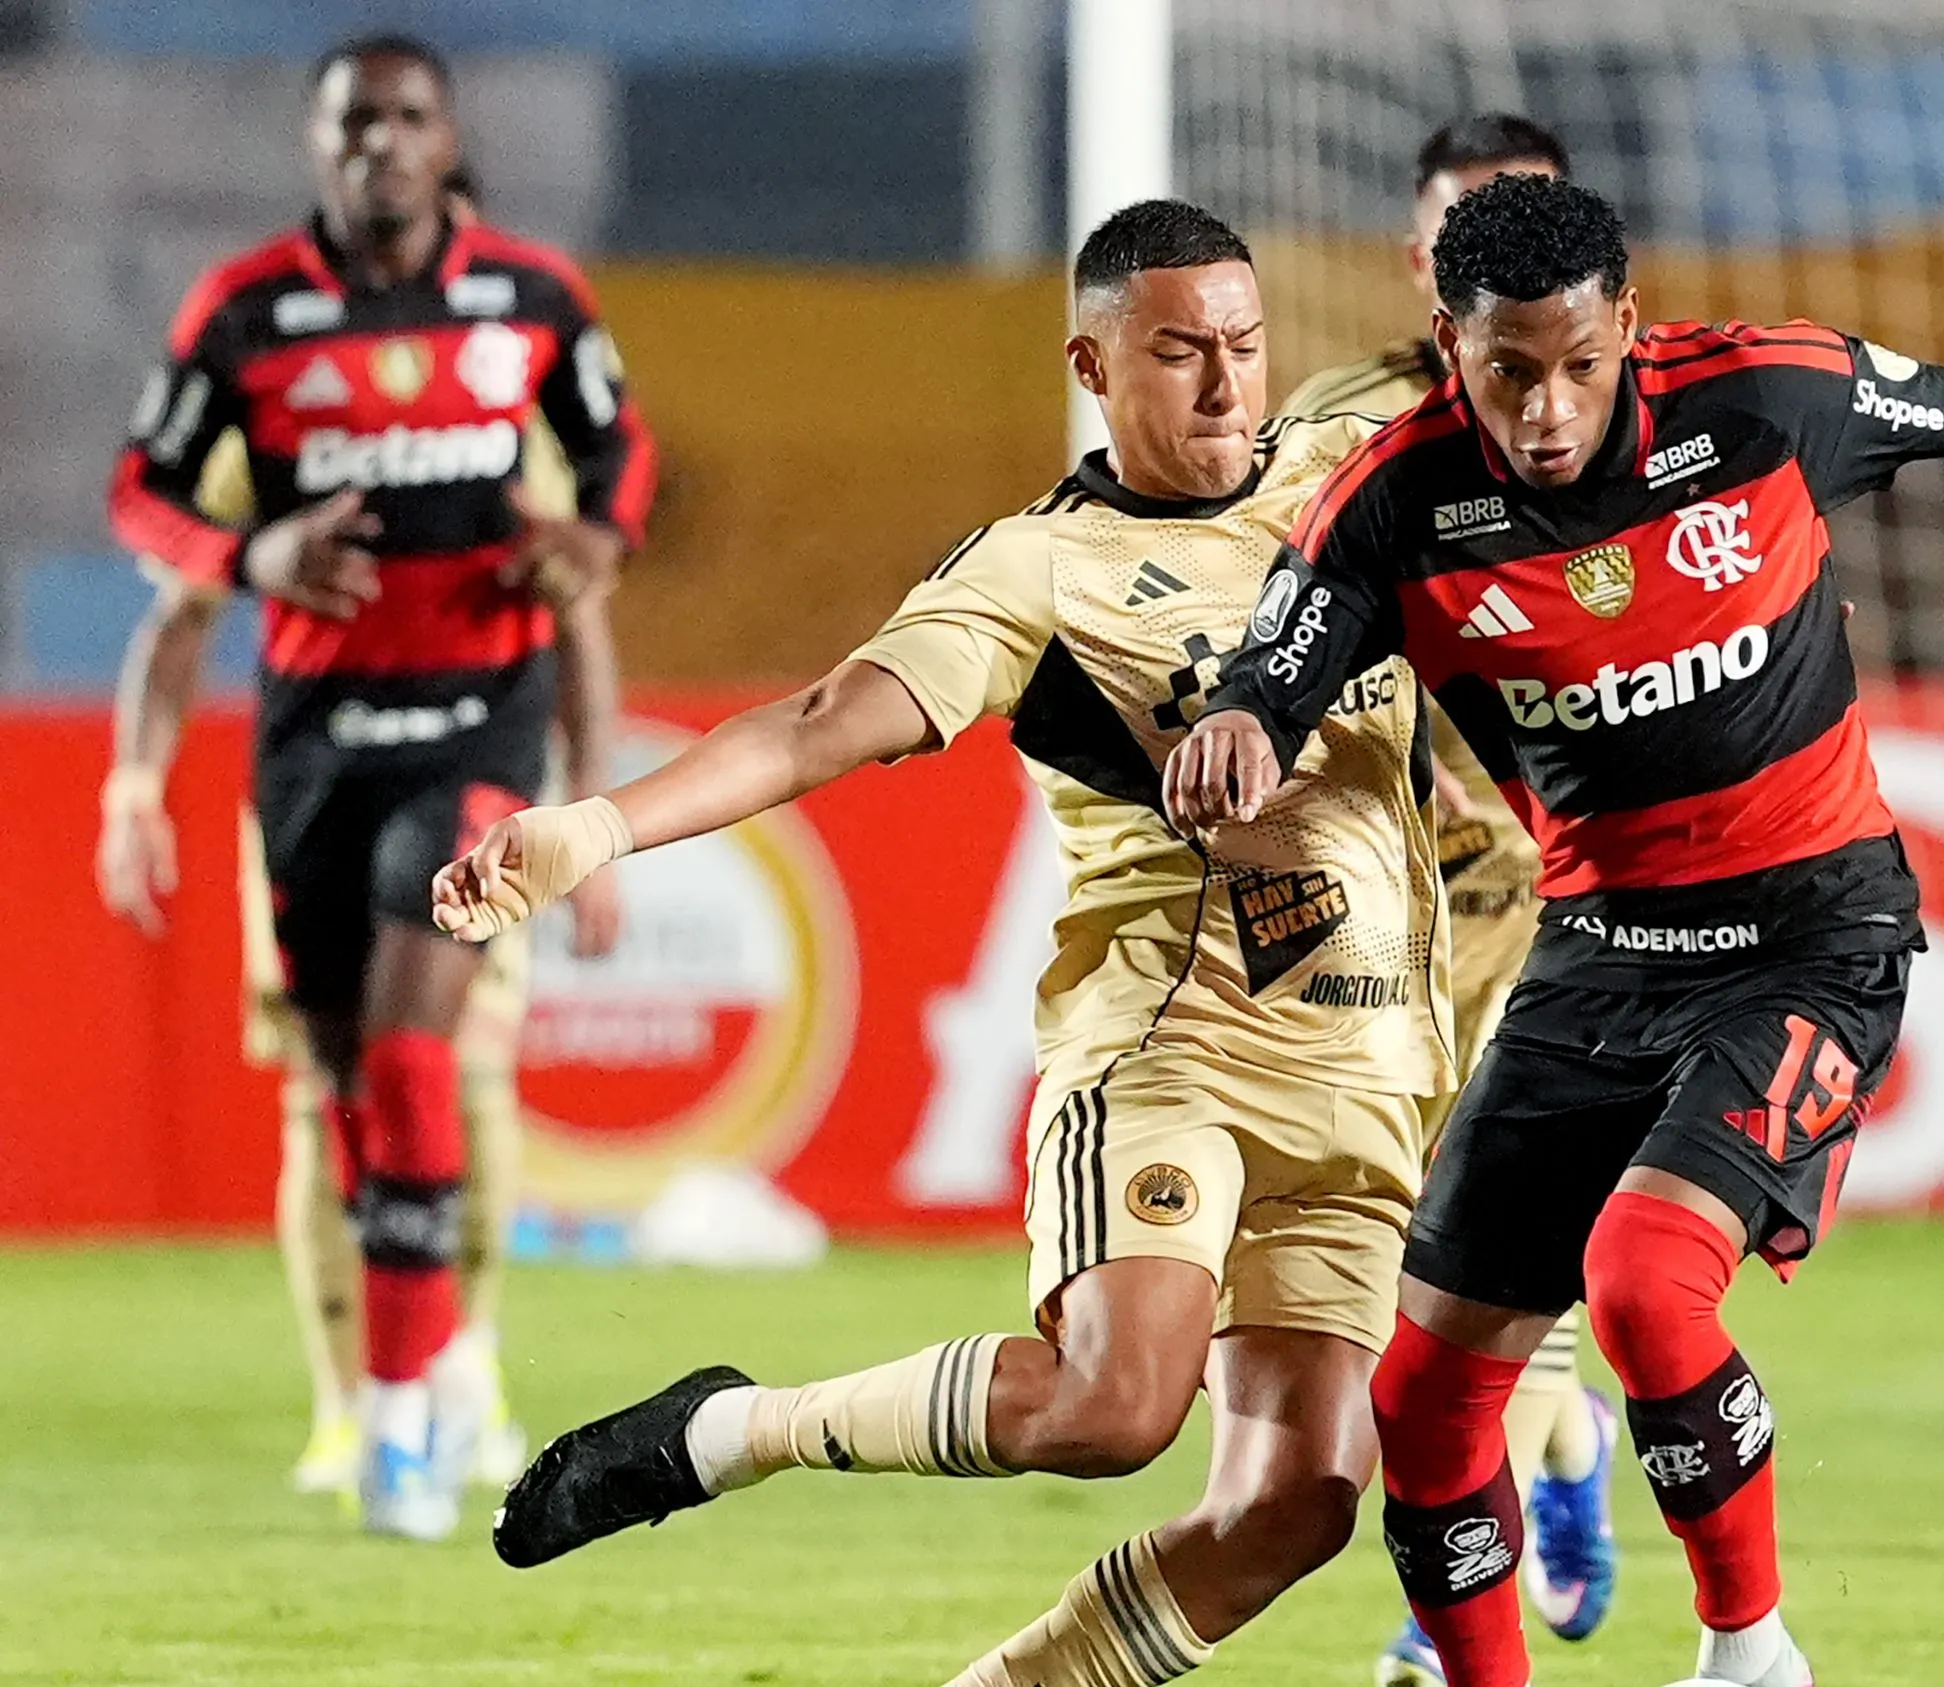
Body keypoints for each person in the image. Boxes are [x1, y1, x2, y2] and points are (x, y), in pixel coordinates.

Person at [1166, 172, 1944, 1687]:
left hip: (1813, 930)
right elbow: (1275, 665)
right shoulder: (1395, 502)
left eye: (1576, 362)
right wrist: (1236, 724)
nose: (1547, 407)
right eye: (1507, 371)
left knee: (1642, 1281)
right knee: (1422, 1397)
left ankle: (1750, 1652)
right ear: (1449, 341)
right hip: (1599, 948)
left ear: (1628, 322)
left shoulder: (1768, 397)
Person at [440, 201, 1454, 1687]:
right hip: (1173, 1048)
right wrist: (599, 828)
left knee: (1292, 1504)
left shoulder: (1338, 477)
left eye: (1245, 347)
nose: (1229, 388)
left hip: (1371, 1067)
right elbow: (818, 722)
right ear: (1095, 366)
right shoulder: (1040, 570)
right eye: (1181, 356)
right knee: (1116, 1408)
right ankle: (734, 1430)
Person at [99, 33, 651, 1540]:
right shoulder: (251, 314)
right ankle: (376, 1386)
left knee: (428, 1059)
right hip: (313, 751)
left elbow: (618, 474)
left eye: (407, 120)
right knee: (346, 1084)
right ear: (319, 144)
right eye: (354, 123)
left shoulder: (531, 307)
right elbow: (143, 504)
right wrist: (249, 562)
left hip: (479, 734)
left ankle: (419, 1408)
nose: (381, 147)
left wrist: (598, 564)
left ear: (445, 139)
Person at [1280, 112, 1618, 1685]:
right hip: (1394, 908)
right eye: (1461, 230)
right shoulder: (1345, 431)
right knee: (1426, 1264)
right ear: (1422, 265)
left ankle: (1440, 1608)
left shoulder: (1644, 418)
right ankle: (1563, 1454)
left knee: (1473, 1265)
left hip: (1582, 895)